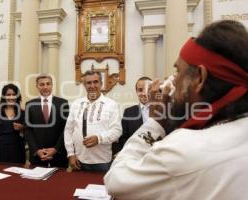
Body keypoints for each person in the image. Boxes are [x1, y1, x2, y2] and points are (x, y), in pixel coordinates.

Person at [104, 20, 248, 200]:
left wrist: (155, 122)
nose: (173, 80)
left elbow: (116, 181)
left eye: (178, 72)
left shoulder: (184, 149)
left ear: (200, 78)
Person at [64, 70, 122, 172]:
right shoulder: (76, 104)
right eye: (88, 83)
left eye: (95, 82)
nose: (92, 85)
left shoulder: (111, 104)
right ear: (84, 85)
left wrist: (99, 139)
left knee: (101, 188)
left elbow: (117, 131)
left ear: (101, 83)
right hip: (78, 160)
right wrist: (70, 154)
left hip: (102, 162)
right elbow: (68, 130)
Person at [25, 74, 69, 167]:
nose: (45, 87)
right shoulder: (30, 104)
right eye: (42, 84)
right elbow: (28, 130)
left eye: (48, 84)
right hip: (38, 157)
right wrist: (36, 150)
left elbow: (66, 129)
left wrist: (55, 149)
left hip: (58, 156)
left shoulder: (63, 103)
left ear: (52, 85)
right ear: (37, 86)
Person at [0, 84, 26, 164]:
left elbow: (28, 133)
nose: (11, 97)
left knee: (16, 174)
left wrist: (22, 128)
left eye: (14, 94)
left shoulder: (23, 112)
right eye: (8, 95)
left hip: (17, 148)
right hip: (0, 148)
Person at [115, 76, 152, 153]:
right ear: (136, 92)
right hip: (135, 156)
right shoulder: (128, 112)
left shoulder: (162, 110)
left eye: (147, 89)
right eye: (140, 90)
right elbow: (123, 137)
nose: (144, 93)